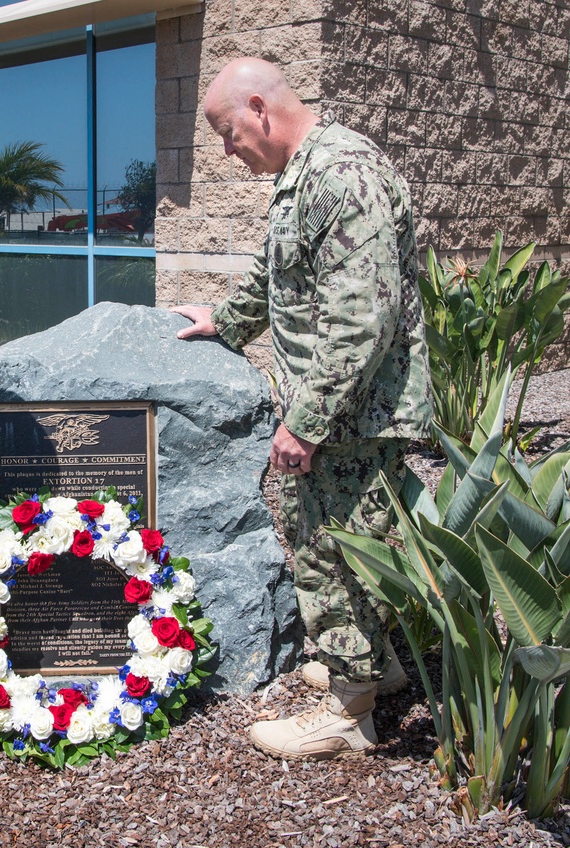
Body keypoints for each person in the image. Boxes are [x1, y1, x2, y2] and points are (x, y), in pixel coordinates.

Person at [172, 57, 432, 760]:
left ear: (258, 107)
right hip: (340, 412)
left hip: (350, 419)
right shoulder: (303, 177)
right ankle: (375, 665)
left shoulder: (341, 174)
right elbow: (276, 273)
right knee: (344, 546)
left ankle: (351, 712)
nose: (228, 151)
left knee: (328, 551)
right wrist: (224, 319)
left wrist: (305, 422)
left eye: (228, 133)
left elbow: (363, 319)